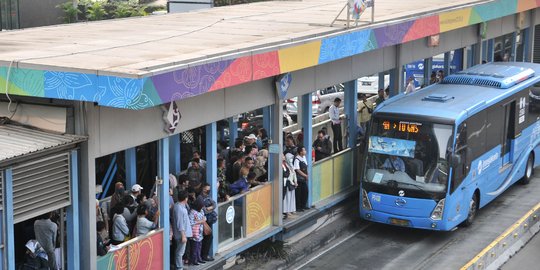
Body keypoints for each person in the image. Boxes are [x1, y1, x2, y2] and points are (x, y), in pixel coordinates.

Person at [173, 190, 192, 270]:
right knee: (180, 252)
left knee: (180, 251)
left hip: (181, 234)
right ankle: (179, 267)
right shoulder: (180, 209)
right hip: (181, 234)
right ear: (185, 198)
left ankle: (179, 266)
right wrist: (183, 236)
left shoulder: (178, 205)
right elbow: (180, 223)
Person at [198, 184, 217, 262]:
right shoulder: (200, 198)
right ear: (203, 189)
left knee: (208, 237)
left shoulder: (208, 197)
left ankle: (204, 255)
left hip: (209, 220)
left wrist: (211, 208)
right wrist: (211, 208)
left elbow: (214, 204)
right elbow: (204, 210)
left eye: (209, 189)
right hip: (203, 221)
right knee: (207, 237)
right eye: (206, 189)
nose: (208, 191)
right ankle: (204, 255)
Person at [189, 198, 206, 266]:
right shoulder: (192, 212)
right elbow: (190, 223)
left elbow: (204, 217)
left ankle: (199, 258)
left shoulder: (201, 210)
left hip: (200, 232)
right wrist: (200, 221)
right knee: (194, 247)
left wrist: (203, 219)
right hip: (194, 233)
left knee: (199, 246)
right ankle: (194, 260)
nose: (202, 207)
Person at [293, 146, 309, 211]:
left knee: (305, 192)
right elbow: (297, 170)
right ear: (301, 152)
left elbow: (306, 166)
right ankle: (298, 207)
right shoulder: (297, 159)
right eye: (304, 150)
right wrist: (305, 175)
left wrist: (307, 175)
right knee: (298, 193)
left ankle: (303, 205)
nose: (305, 151)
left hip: (304, 178)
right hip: (299, 179)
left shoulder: (304, 157)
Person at [283, 153, 297, 219]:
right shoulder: (285, 165)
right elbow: (287, 175)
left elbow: (294, 174)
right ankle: (287, 211)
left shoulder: (290, 165)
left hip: (291, 183)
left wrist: (295, 182)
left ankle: (291, 209)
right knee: (287, 197)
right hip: (287, 183)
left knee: (292, 197)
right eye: (290, 158)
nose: (291, 159)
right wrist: (291, 181)